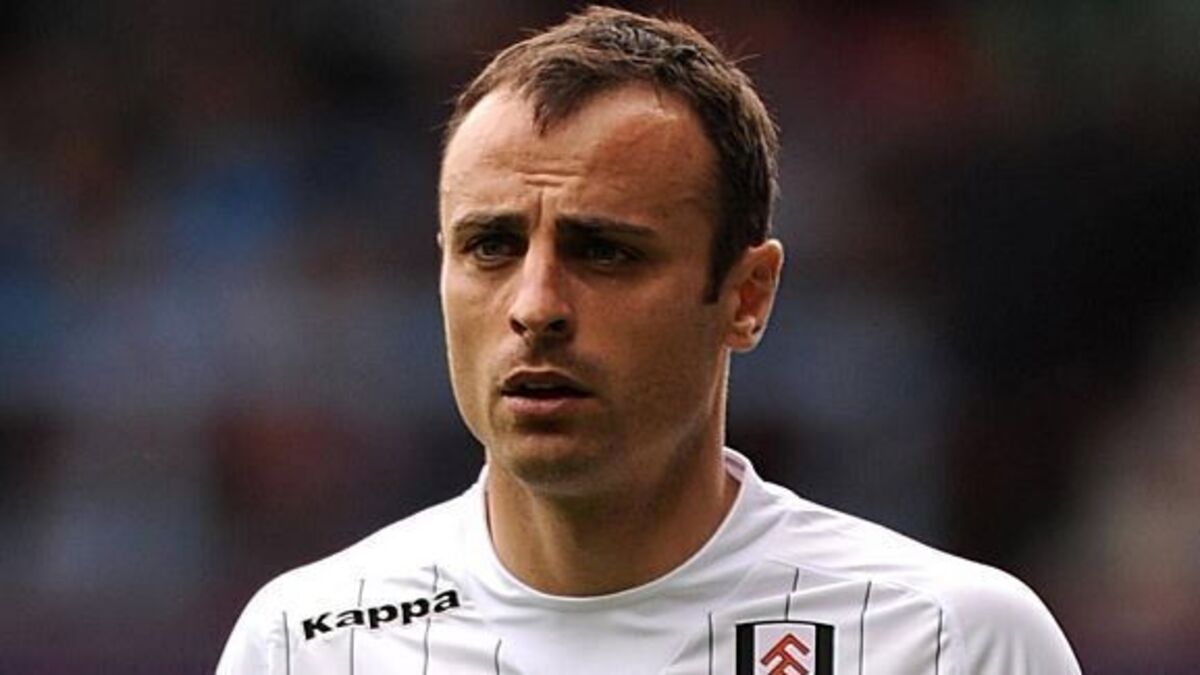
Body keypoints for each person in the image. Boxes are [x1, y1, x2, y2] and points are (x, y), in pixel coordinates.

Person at [217, 6, 1080, 674]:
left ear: (746, 297)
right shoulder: (304, 643)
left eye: (605, 251)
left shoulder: (948, 640)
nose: (536, 306)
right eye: (492, 247)